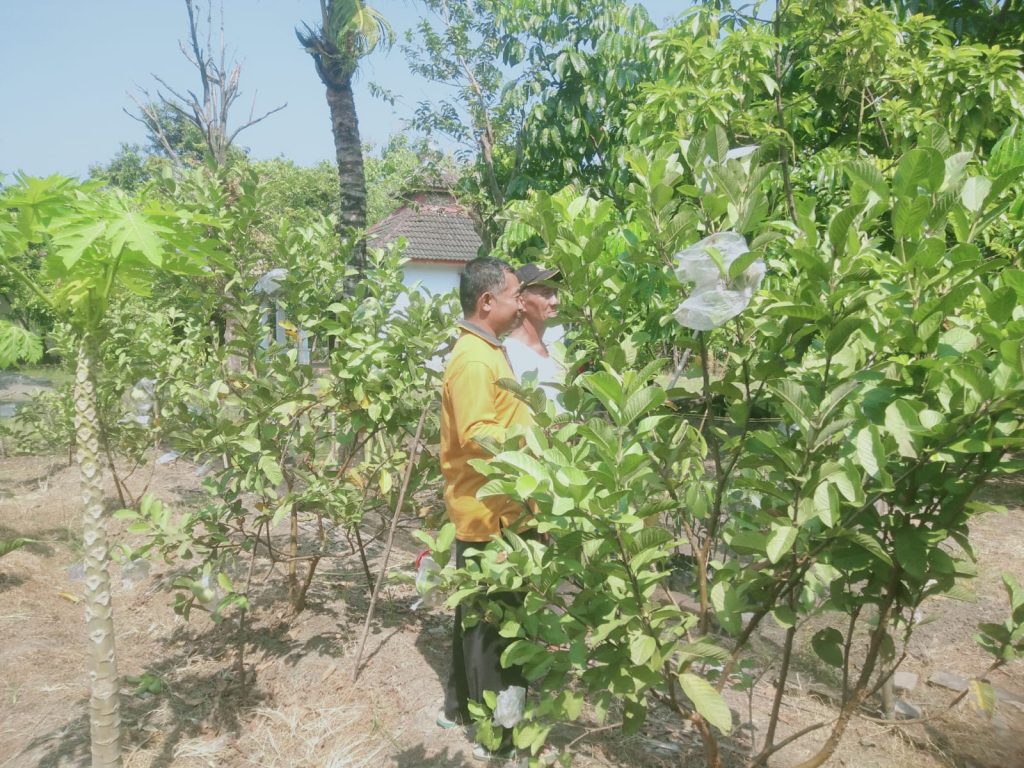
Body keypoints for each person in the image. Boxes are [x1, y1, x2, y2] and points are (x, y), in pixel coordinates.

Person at [438, 257, 532, 762]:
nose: (522, 304)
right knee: (494, 631)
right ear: (486, 301)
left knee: (475, 621)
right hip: (490, 515)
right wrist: (536, 444)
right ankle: (499, 736)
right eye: (516, 295)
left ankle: (458, 707)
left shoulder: (486, 350)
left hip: (490, 509)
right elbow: (478, 434)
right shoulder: (475, 360)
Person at [505, 263, 564, 408]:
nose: (555, 301)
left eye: (555, 292)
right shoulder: (510, 356)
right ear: (521, 302)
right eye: (546, 293)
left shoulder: (554, 347)